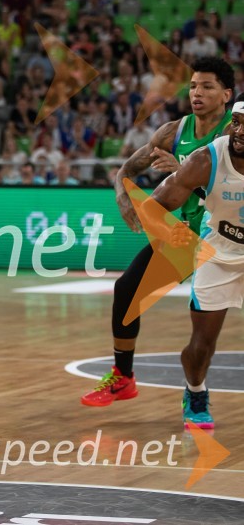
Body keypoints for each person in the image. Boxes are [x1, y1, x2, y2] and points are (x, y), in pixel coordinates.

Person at [81, 56, 234, 407]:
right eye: (193, 85)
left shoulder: (233, 131)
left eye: (207, 86)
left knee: (205, 332)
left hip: (229, 236)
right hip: (187, 237)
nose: (197, 92)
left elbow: (229, 185)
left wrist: (182, 169)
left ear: (226, 94)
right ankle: (123, 377)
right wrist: (124, 199)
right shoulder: (173, 132)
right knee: (126, 291)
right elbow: (125, 170)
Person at [133, 96, 244, 428]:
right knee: (202, 345)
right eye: (237, 122)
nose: (240, 131)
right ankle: (195, 391)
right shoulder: (207, 160)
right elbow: (154, 205)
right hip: (219, 255)